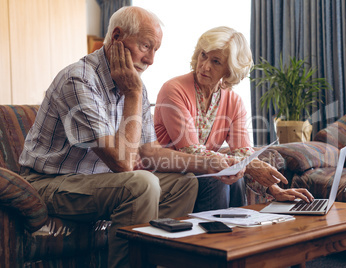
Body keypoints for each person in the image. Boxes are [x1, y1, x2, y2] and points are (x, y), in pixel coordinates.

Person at [18, 8, 246, 268]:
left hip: (95, 182)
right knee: (141, 184)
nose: (150, 59)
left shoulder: (133, 83)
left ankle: (160, 260)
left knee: (184, 183)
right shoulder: (79, 79)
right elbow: (123, 163)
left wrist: (211, 164)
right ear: (117, 36)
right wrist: (134, 94)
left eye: (155, 50)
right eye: (145, 46)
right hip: (48, 184)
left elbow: (150, 152)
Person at [154, 26, 314, 212]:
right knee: (219, 179)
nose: (205, 66)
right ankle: (218, 238)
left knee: (233, 179)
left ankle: (240, 234)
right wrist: (248, 165)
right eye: (203, 55)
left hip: (203, 172)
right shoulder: (173, 90)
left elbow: (243, 153)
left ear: (230, 70)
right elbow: (191, 150)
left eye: (216, 62)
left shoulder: (234, 101)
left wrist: (274, 189)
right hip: (167, 170)